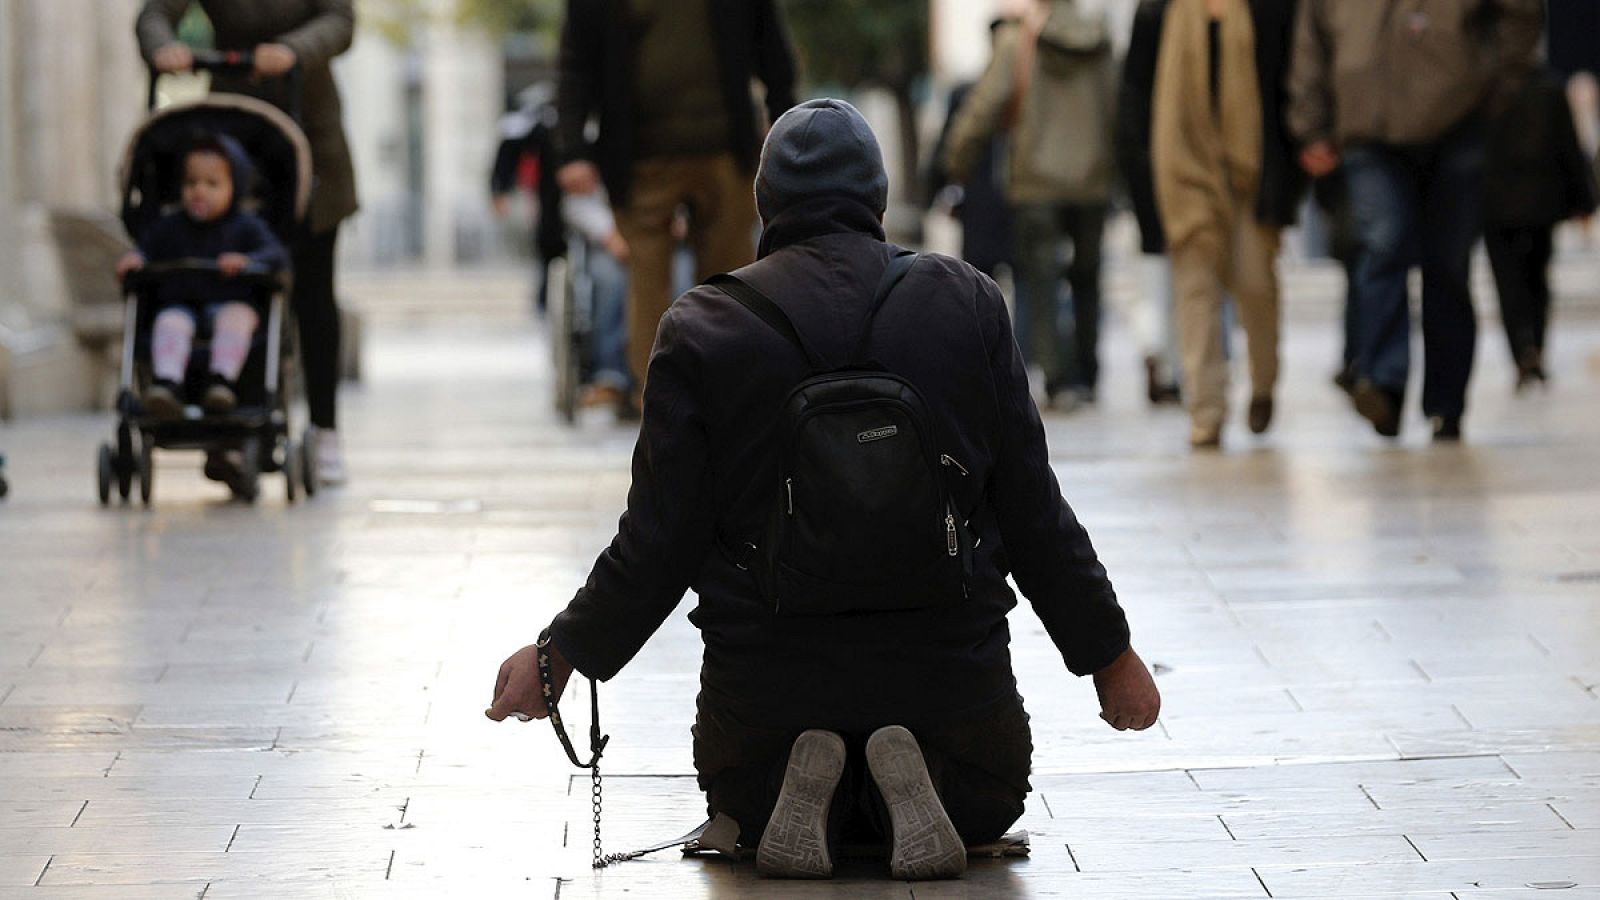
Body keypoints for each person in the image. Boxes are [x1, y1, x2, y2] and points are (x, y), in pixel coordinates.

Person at [486, 100, 1159, 881]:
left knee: (746, 797)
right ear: (876, 199)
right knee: (988, 796)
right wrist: (1110, 657)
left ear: (765, 205)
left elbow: (657, 542)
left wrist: (561, 653)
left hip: (765, 708)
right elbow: (1034, 510)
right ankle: (924, 781)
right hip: (954, 697)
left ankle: (799, 790)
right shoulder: (966, 303)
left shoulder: (704, 326)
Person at [1288, 0, 1543, 441]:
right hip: (1367, 125)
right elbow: (1311, 38)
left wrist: (1497, 84)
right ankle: (1383, 384)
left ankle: (1446, 403)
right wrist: (1310, 121)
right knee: (1384, 244)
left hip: (1458, 121)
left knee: (1447, 264)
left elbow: (1521, 13)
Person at [138, 0, 358, 481]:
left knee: (312, 291)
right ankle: (229, 428)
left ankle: (324, 427)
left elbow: (341, 21)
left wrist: (291, 50)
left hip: (309, 135)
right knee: (225, 285)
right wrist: (164, 47)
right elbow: (155, 13)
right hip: (233, 136)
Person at [555, 0, 797, 414]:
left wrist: (785, 119)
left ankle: (730, 403)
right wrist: (572, 148)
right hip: (639, 158)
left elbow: (770, 45)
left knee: (730, 287)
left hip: (724, 149)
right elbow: (576, 62)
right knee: (647, 286)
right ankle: (661, 408)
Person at [942, 0, 1117, 412]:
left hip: (1036, 180)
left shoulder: (1017, 40)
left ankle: (1058, 381)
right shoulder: (1099, 38)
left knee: (1040, 279)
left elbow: (986, 105)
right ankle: (1088, 375)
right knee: (1087, 277)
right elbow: (1114, 105)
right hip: (1092, 178)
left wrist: (957, 160)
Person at [1143, 0, 1302, 449]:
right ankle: (1206, 411)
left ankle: (1265, 383)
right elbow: (1136, 99)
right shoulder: (1159, 13)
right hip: (1185, 176)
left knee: (1256, 285)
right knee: (1196, 294)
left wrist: (1287, 181)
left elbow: (1285, 91)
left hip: (1250, 177)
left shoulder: (1270, 10)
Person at [116, 133, 289, 418]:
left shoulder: (246, 227)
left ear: (235, 187)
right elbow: (146, 249)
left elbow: (276, 255)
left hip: (230, 304)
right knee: (169, 322)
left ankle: (221, 381)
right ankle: (167, 384)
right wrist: (137, 259)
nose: (199, 191)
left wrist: (247, 261)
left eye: (212, 184)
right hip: (182, 306)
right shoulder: (170, 227)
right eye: (190, 183)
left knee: (238, 317)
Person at [1483, 68, 1598, 390]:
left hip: (1496, 204)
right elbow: (1570, 150)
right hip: (1540, 203)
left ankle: (1522, 350)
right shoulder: (1548, 91)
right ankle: (1535, 347)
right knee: (1536, 279)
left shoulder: (1483, 90)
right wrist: (1584, 200)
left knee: (1509, 283)